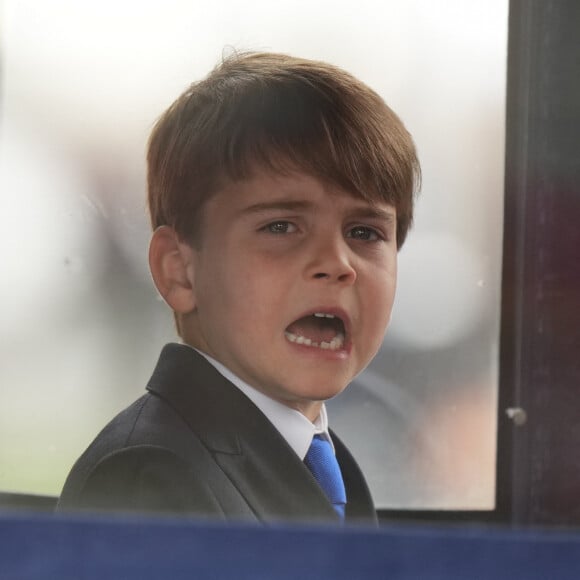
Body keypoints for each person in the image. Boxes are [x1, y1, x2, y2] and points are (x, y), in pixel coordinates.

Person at [57, 51, 420, 525]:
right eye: (281, 227)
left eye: (365, 233)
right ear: (180, 272)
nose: (337, 263)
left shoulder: (326, 464)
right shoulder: (149, 478)